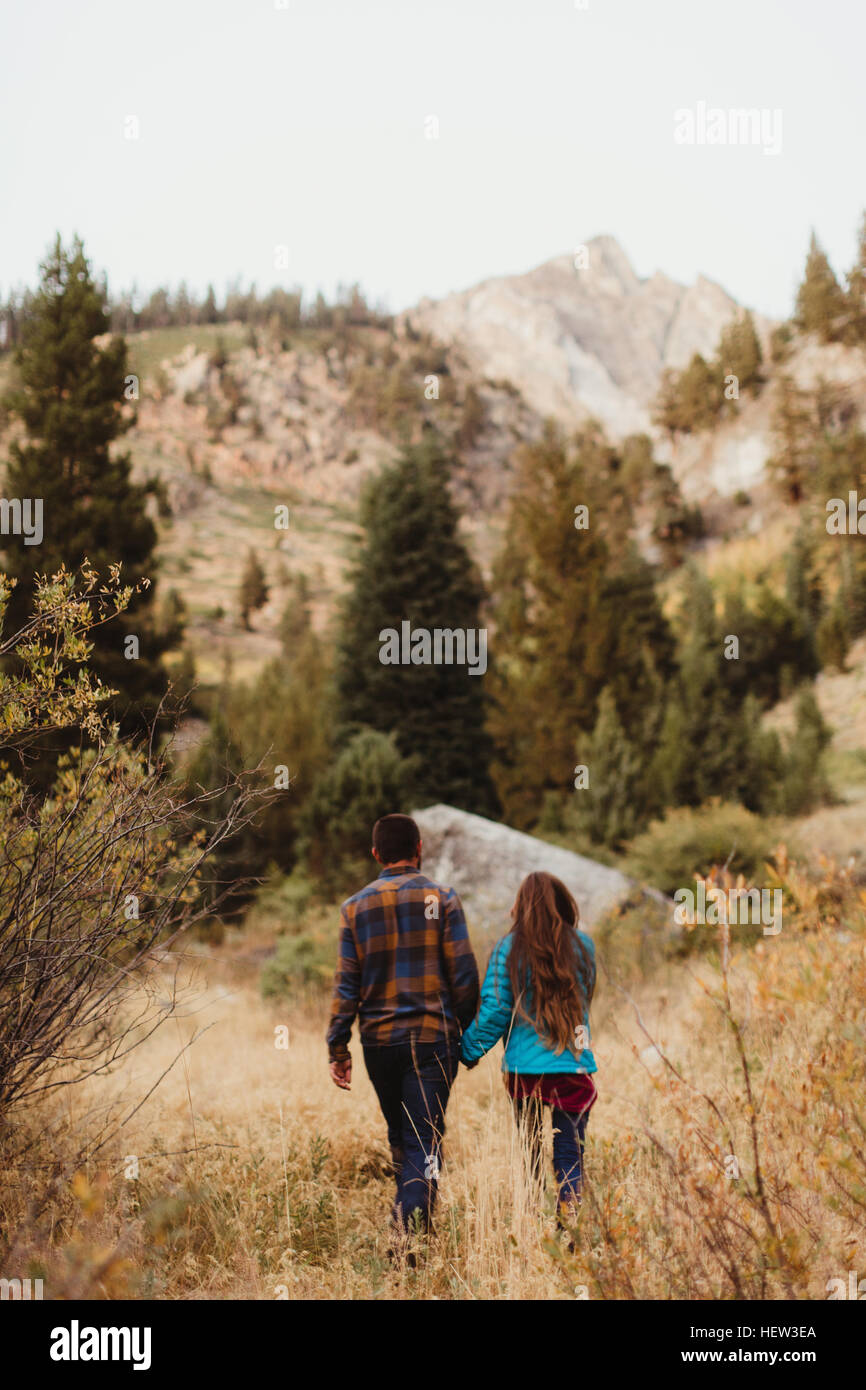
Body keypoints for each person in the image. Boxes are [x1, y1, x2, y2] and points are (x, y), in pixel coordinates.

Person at [327, 813, 479, 1239]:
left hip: (379, 1044)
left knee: (404, 1140)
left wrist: (338, 1049)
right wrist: (458, 1031)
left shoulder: (354, 908)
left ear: (376, 853)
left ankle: (417, 1236)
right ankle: (407, 1243)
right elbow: (465, 978)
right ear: (419, 849)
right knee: (422, 1145)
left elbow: (345, 987)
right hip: (432, 1041)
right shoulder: (443, 899)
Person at [460, 871, 597, 1224]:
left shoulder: (508, 948)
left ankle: (530, 1223)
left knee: (530, 1151)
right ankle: (569, 1230)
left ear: (519, 906)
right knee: (570, 1154)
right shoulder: (583, 945)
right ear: (564, 903)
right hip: (573, 1069)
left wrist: (468, 1050)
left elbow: (495, 1010)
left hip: (525, 1071)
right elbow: (585, 1002)